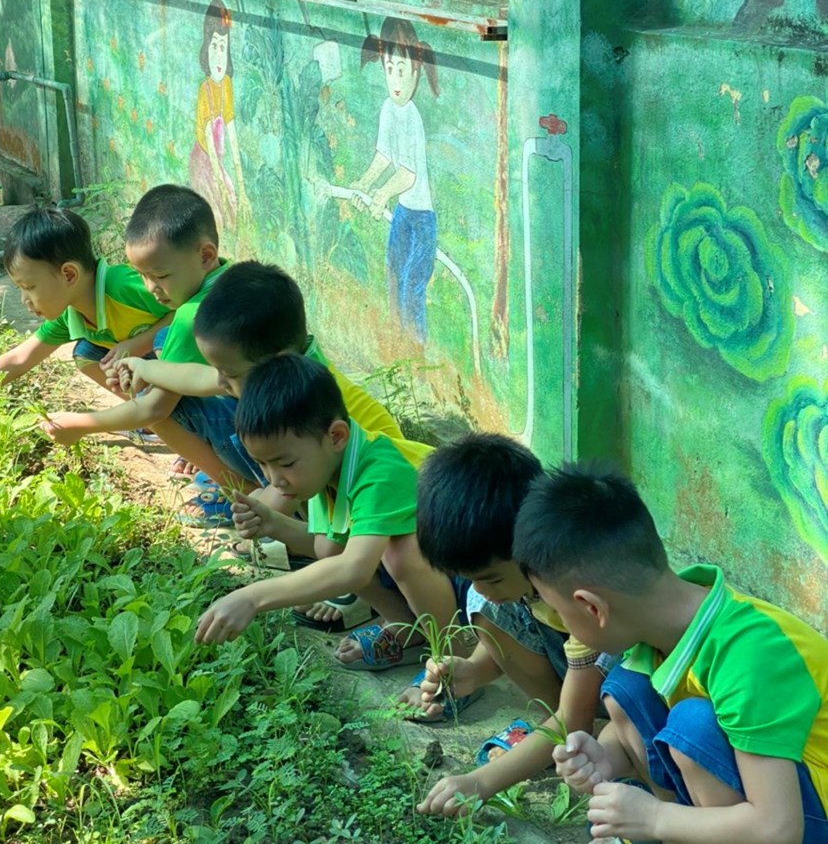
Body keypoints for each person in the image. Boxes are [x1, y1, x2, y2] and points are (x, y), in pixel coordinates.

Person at [513, 465, 828, 844]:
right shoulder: (657, 628)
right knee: (627, 688)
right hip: (777, 807)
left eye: (557, 610)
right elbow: (636, 727)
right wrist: (605, 757)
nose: (558, 621)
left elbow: (778, 829)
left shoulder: (749, 656)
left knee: (693, 726)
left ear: (592, 608)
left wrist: (655, 817)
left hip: (794, 820)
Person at [113, 259, 400, 629]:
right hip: (337, 483)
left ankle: (363, 595)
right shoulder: (279, 374)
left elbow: (285, 491)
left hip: (383, 501)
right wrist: (143, 367)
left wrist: (258, 525)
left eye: (230, 373)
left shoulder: (301, 407)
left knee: (343, 548)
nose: (222, 381)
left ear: (274, 362)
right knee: (322, 540)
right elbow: (199, 377)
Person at [194, 353, 463, 666]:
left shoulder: (381, 472)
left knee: (400, 552)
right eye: (263, 464)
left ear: (336, 436)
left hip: (479, 575)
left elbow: (353, 569)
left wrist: (253, 597)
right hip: (446, 566)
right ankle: (408, 628)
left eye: (285, 463)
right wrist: (273, 524)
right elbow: (327, 548)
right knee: (333, 548)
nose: (274, 480)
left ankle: (453, 661)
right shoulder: (329, 464)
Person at [415, 435, 613, 815]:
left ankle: (590, 736)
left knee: (603, 716)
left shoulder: (579, 592)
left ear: (529, 539)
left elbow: (574, 716)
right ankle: (554, 723)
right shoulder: (524, 577)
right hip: (573, 672)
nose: (480, 589)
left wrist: (481, 782)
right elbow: (519, 622)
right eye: (469, 578)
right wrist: (474, 669)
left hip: (613, 678)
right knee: (485, 605)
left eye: (490, 577)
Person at [40, 185, 245, 504]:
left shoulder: (193, 316)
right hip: (293, 426)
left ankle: (244, 493)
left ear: (205, 256)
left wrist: (79, 424)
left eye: (160, 276)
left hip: (272, 440)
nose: (150, 288)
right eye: (142, 276)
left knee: (155, 407)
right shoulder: (235, 278)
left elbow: (154, 409)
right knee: (159, 352)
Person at [0, 208, 169, 411]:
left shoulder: (125, 286)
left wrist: (140, 343)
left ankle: (175, 416)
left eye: (29, 287)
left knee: (166, 337)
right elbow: (19, 359)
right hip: (151, 368)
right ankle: (151, 413)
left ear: (69, 274)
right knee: (86, 352)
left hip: (186, 366)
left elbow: (187, 312)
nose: (24, 300)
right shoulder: (70, 314)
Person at [351, 18, 440, 345]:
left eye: (402, 70)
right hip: (403, 214)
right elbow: (384, 157)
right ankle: (396, 344)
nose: (396, 80)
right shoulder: (388, 109)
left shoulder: (412, 118)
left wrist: (382, 195)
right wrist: (363, 184)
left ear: (416, 72)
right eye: (390, 69)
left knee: (411, 287)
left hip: (422, 220)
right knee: (392, 275)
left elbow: (408, 174)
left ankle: (416, 350)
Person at [188, 0, 249, 234]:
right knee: (217, 218)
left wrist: (241, 188)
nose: (219, 55)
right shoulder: (204, 92)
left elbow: (232, 138)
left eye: (223, 47)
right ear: (206, 49)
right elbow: (210, 149)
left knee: (233, 208)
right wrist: (220, 188)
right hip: (202, 162)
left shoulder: (227, 86)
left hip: (218, 163)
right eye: (214, 46)